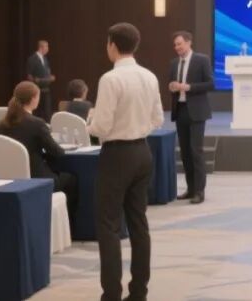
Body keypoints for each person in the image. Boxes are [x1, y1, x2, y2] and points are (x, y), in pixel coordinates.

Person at [87, 23, 163, 301]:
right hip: (143, 151)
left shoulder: (110, 79)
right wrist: (136, 127)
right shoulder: (149, 76)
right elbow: (158, 119)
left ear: (112, 45)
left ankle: (111, 294)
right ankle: (139, 292)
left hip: (117, 155)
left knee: (108, 225)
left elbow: (102, 126)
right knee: (138, 223)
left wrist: (89, 124)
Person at [0, 81, 78, 214]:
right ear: (34, 98)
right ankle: (67, 223)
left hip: (9, 180)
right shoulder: (37, 124)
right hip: (37, 178)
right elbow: (57, 152)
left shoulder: (1, 125)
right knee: (71, 179)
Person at [169, 31, 214, 205]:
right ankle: (190, 189)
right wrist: (173, 86)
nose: (177, 47)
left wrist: (189, 87)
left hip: (196, 111)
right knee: (185, 153)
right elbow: (173, 83)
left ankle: (199, 192)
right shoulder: (174, 63)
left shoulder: (202, 60)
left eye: (179, 44)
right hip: (180, 110)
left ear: (189, 43)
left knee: (196, 151)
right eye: (175, 45)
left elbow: (210, 84)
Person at [26, 40, 55, 123]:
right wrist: (38, 81)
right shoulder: (32, 59)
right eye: (47, 46)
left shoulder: (45, 59)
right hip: (36, 90)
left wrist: (49, 78)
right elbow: (29, 76)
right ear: (41, 47)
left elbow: (46, 72)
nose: (48, 49)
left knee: (47, 112)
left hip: (46, 89)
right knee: (37, 112)